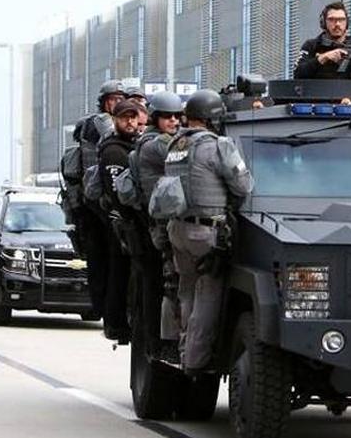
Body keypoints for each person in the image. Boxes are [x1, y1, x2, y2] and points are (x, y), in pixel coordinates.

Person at [161, 89, 253, 374]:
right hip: (205, 234)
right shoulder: (218, 146)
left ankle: (183, 349)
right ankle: (195, 361)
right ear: (213, 119)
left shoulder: (176, 144)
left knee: (187, 292)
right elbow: (244, 186)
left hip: (177, 229)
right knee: (208, 297)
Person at [127, 90, 184, 359]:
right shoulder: (156, 144)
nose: (174, 121)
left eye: (177, 116)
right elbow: (190, 153)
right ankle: (161, 343)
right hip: (161, 226)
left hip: (164, 223)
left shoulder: (154, 141)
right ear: (155, 118)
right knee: (166, 286)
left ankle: (161, 342)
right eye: (167, 117)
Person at [72, 79, 126, 320]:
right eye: (113, 100)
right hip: (94, 203)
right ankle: (102, 307)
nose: (117, 104)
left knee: (109, 259)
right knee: (100, 258)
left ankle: (106, 307)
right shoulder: (99, 123)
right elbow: (113, 134)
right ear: (104, 102)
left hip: (103, 198)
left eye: (121, 99)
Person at [96, 100, 142, 342]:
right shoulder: (114, 150)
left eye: (133, 117)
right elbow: (117, 193)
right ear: (114, 120)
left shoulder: (131, 145)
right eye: (125, 117)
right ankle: (116, 324)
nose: (130, 122)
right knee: (120, 273)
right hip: (120, 221)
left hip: (126, 220)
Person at [293, 1, 351, 80]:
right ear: (323, 22)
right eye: (331, 20)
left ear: (347, 23)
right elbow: (298, 73)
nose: (337, 24)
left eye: (341, 20)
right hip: (319, 93)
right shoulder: (312, 45)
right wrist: (323, 58)